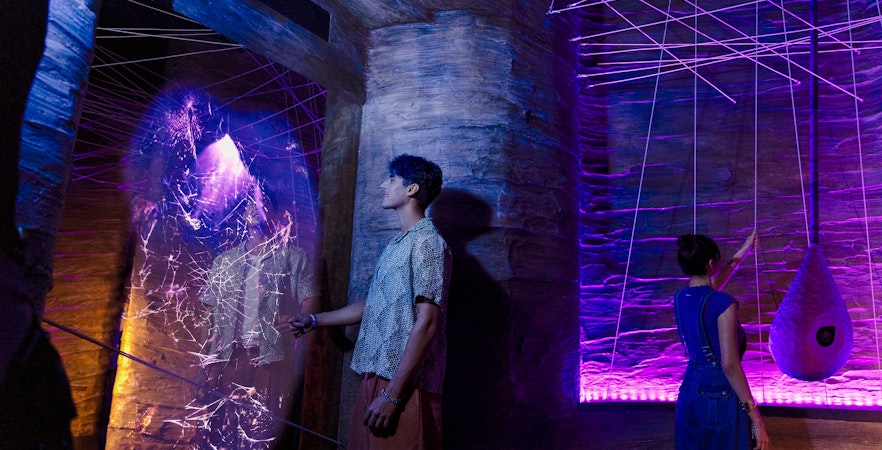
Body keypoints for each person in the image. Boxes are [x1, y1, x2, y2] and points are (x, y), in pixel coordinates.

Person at [290, 154, 451, 449]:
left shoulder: (428, 243)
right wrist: (315, 320)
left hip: (405, 384)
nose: (382, 185)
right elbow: (374, 303)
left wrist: (392, 394)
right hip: (377, 377)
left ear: (412, 189)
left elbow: (427, 322)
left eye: (391, 180)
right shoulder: (397, 244)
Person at [197, 198, 319, 448]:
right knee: (222, 430)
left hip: (270, 358)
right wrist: (204, 362)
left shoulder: (293, 257)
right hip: (229, 358)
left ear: (275, 213)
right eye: (249, 205)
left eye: (262, 203)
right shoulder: (225, 261)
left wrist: (300, 319)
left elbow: (310, 301)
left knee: (263, 431)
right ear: (243, 214)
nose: (254, 209)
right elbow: (208, 315)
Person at [674, 230, 770, 450]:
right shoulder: (723, 303)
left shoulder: (681, 298)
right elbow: (730, 365)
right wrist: (757, 420)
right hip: (718, 394)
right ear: (710, 264)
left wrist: (744, 251)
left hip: (690, 389)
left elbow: (710, 287)